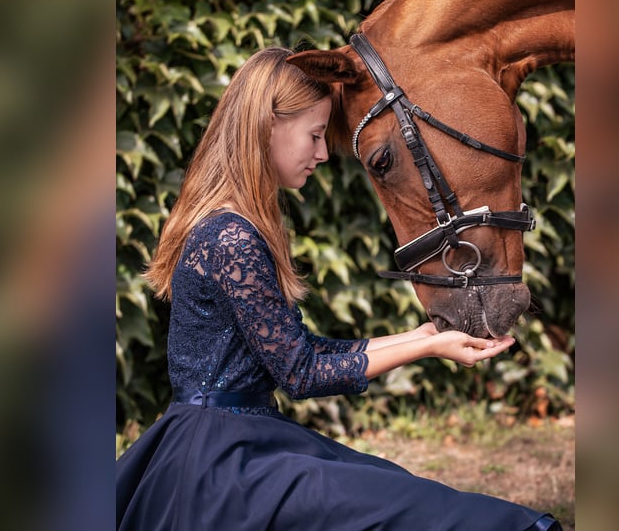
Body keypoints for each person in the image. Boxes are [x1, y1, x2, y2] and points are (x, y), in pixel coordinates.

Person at [116, 47, 561, 531]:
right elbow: (301, 374)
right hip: (225, 468)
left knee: (396, 489)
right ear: (267, 125)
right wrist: (428, 346)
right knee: (425, 512)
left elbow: (295, 351)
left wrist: (420, 338)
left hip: (221, 446)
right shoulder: (233, 236)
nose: (323, 154)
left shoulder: (228, 225)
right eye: (314, 135)